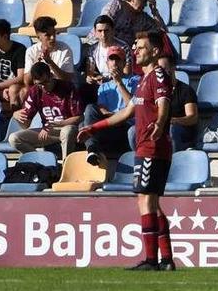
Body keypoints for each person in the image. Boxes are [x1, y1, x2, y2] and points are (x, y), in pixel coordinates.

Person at [77, 31, 176, 271]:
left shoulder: (158, 75)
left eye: (140, 47)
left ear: (154, 51)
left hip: (153, 146)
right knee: (150, 202)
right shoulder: (143, 79)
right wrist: (93, 127)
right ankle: (166, 260)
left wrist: (160, 124)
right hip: (144, 147)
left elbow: (164, 105)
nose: (136, 51)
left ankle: (152, 260)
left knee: (146, 201)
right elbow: (126, 112)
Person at [9, 61, 81, 159]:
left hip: (67, 127)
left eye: (45, 82)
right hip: (48, 131)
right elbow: (26, 125)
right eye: (39, 84)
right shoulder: (34, 91)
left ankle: (66, 166)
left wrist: (56, 124)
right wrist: (16, 116)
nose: (43, 87)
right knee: (14, 138)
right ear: (34, 82)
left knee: (67, 131)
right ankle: (41, 162)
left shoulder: (68, 87)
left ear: (51, 76)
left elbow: (79, 117)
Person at [80, 45, 138, 166]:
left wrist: (119, 82)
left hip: (125, 125)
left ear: (124, 63)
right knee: (86, 117)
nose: (114, 63)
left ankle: (93, 149)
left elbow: (132, 107)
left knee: (87, 125)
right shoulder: (104, 87)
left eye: (118, 60)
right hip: (109, 125)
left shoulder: (136, 80)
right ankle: (92, 150)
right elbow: (102, 110)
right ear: (107, 63)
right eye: (111, 60)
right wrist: (118, 114)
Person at [92, 0, 167, 48]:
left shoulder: (143, 18)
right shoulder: (117, 5)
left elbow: (162, 31)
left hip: (123, 53)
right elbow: (103, 25)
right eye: (143, 1)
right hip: (101, 45)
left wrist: (154, 11)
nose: (145, 5)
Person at [158, 54, 199, 152]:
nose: (161, 72)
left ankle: (174, 161)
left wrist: (173, 120)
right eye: (158, 69)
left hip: (180, 129)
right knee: (133, 131)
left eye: (164, 68)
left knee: (172, 129)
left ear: (173, 68)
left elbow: (192, 117)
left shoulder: (185, 90)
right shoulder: (155, 91)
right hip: (160, 127)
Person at [24, 16, 75, 87]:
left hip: (59, 89)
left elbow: (67, 79)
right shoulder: (31, 51)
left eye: (54, 33)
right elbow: (27, 81)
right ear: (38, 37)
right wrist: (37, 62)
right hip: (39, 89)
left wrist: (50, 62)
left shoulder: (65, 50)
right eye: (48, 35)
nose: (52, 38)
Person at [0, 19, 26, 138]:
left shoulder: (19, 50)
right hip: (0, 88)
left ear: (4, 36)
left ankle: (11, 123)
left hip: (14, 88)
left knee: (14, 89)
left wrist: (0, 86)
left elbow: (20, 78)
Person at [85, 14, 131, 86]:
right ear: (95, 32)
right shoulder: (92, 49)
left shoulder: (123, 47)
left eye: (106, 31)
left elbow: (127, 73)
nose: (103, 34)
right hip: (102, 84)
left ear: (113, 30)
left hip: (121, 83)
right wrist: (91, 78)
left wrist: (108, 79)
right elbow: (90, 72)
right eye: (100, 31)